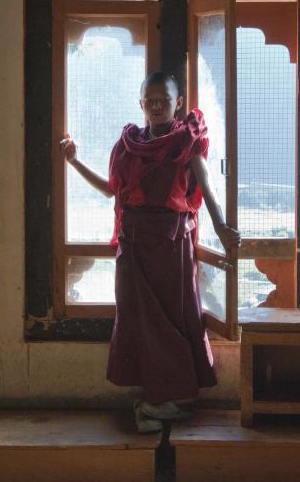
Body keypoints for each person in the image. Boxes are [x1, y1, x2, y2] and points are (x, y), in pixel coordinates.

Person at [59, 72, 240, 433]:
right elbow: (112, 191)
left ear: (178, 103)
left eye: (163, 99)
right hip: (133, 245)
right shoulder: (128, 144)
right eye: (149, 99)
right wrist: (74, 162)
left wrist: (222, 228)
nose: (156, 106)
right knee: (139, 320)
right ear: (141, 103)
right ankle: (155, 403)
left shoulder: (185, 142)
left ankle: (160, 403)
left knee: (173, 321)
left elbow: (205, 184)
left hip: (172, 246)